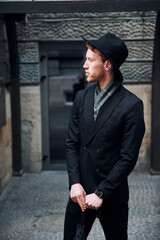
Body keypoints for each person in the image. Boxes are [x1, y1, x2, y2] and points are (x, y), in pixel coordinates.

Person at [63, 32, 145, 240]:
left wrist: (101, 193)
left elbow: (127, 158)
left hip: (111, 194)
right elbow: (72, 143)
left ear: (107, 64)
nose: (84, 65)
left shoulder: (131, 105)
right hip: (80, 193)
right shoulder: (81, 97)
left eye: (90, 60)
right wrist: (75, 183)